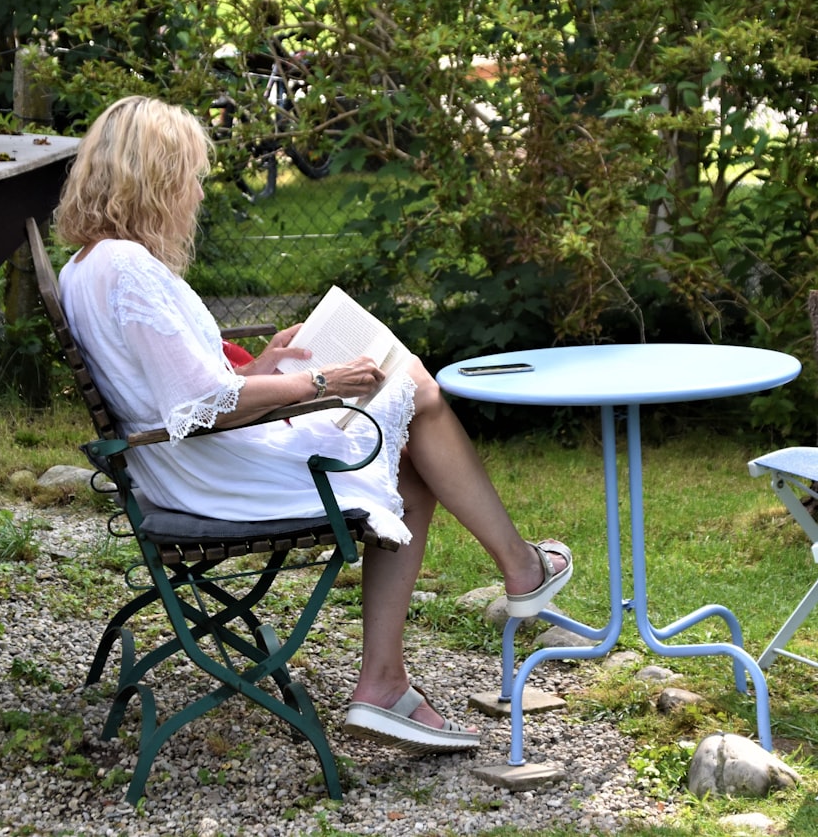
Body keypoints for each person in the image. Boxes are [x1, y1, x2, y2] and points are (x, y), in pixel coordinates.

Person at [54, 95, 573, 755]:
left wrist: (268, 363)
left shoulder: (91, 266)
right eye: (188, 176)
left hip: (192, 461)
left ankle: (389, 677)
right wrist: (321, 383)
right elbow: (200, 400)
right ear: (155, 181)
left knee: (406, 426)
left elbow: (180, 384)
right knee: (415, 388)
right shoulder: (125, 269)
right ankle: (514, 570)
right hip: (215, 473)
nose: (195, 193)